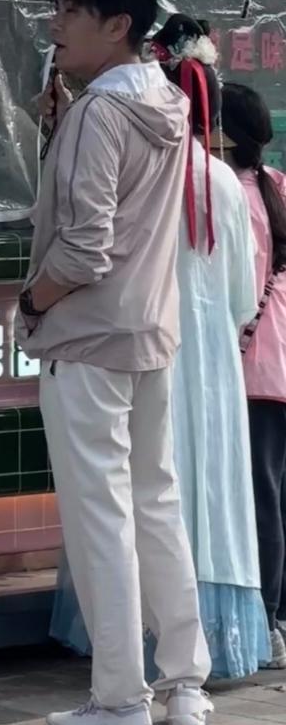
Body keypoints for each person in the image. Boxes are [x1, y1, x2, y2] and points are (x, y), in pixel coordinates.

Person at [17, 0, 211, 725]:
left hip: (87, 337)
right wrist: (60, 123)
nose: (55, 23)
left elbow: (84, 246)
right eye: (56, 7)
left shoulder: (101, 111)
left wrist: (32, 301)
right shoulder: (168, 100)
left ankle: (121, 696)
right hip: (150, 332)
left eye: (71, 10)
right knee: (155, 502)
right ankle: (185, 684)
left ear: (118, 24)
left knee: (101, 516)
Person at [50, 14, 268, 680]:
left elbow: (89, 246)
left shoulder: (133, 159)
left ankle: (124, 671)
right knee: (185, 498)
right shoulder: (225, 183)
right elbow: (242, 298)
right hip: (209, 360)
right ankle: (193, 666)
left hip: (133, 340)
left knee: (120, 497)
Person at [219, 81, 286, 668]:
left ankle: (264, 622)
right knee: (276, 493)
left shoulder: (227, 194)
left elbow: (234, 292)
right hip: (276, 360)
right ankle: (276, 616)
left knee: (259, 495)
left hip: (252, 366)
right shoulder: (276, 186)